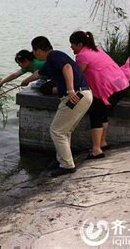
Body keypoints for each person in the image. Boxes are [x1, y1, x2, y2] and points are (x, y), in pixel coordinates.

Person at [31, 36, 93, 177]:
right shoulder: (50, 61)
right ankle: (61, 160)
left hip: (76, 95)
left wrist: (70, 89)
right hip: (83, 94)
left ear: (39, 50)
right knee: (64, 131)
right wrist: (24, 81)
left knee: (56, 131)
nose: (34, 54)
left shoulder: (54, 56)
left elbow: (67, 67)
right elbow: (38, 74)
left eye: (34, 51)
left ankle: (67, 165)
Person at [69, 31, 130, 159]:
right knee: (103, 114)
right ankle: (102, 143)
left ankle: (96, 150)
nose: (71, 47)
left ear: (80, 44)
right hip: (121, 85)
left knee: (96, 116)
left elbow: (77, 76)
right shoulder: (96, 50)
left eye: (73, 45)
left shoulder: (82, 56)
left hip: (108, 89)